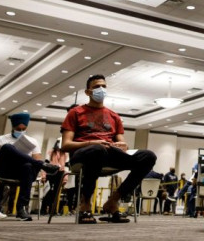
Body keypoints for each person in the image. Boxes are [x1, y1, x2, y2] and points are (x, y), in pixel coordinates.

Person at [61, 74, 157, 224]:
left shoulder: (114, 116)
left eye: (104, 87)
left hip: (108, 153)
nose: (101, 89)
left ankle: (113, 201)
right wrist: (91, 142)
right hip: (83, 154)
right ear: (88, 92)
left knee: (148, 156)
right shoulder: (75, 113)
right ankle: (85, 204)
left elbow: (122, 144)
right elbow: (65, 145)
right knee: (97, 149)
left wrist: (123, 146)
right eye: (96, 87)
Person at [0, 113, 60, 221]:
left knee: (27, 165)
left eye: (24, 129)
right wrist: (3, 156)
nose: (21, 131)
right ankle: (43, 165)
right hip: (5, 171)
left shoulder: (31, 141)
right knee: (7, 147)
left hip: (24, 173)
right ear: (13, 127)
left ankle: (22, 208)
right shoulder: (0, 139)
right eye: (18, 128)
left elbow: (36, 159)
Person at [40, 140, 68, 216]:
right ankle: (43, 209)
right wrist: (43, 176)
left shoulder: (65, 154)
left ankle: (53, 210)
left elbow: (65, 166)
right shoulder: (50, 152)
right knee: (47, 191)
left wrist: (65, 178)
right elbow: (45, 165)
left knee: (56, 192)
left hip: (60, 173)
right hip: (50, 172)